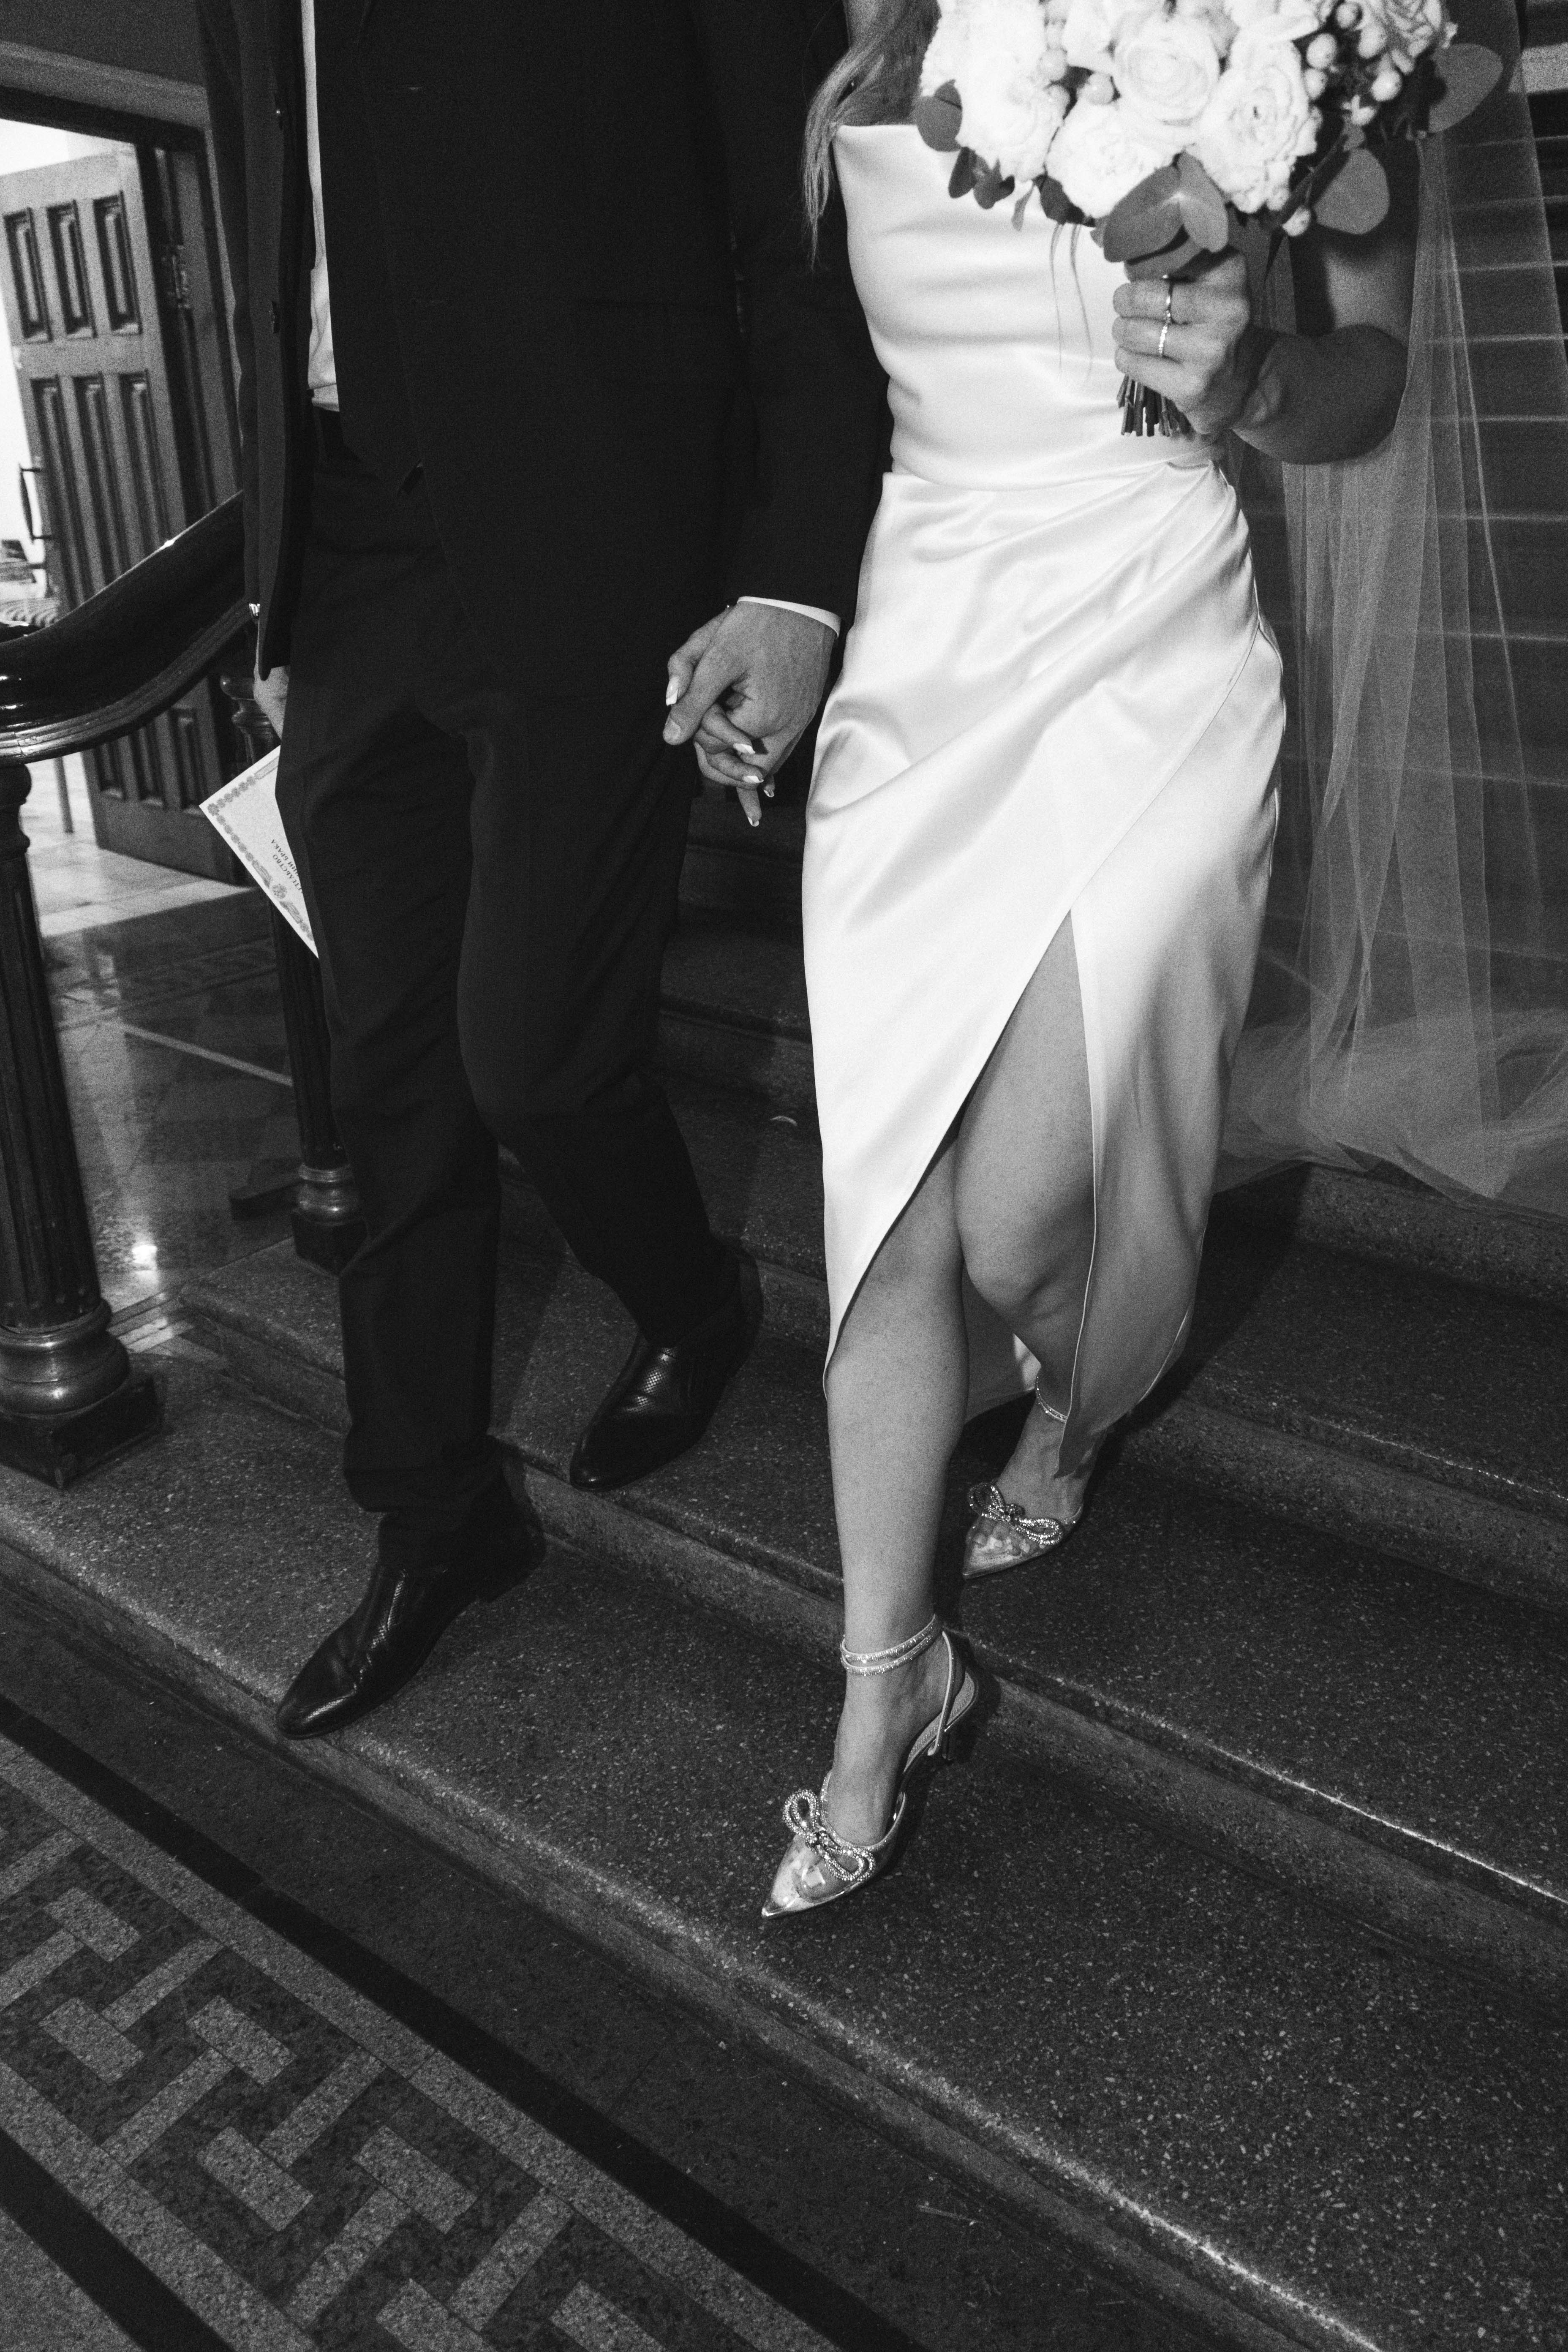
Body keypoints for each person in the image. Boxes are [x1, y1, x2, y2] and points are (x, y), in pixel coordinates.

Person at [701, 0, 1419, 1914]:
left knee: (1025, 1226)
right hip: (925, 643)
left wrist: (1250, 375)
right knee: (885, 1211)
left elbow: (1369, 384)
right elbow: (801, 380)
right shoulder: (848, 53)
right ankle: (888, 1686)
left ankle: (1080, 1402)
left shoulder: (1286, 36)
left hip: (1152, 627)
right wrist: (776, 616)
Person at [196, 0, 883, 1741]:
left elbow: (799, 224)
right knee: (388, 1078)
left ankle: (692, 1297)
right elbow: (277, 218)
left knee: (535, 1057)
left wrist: (797, 579)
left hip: (596, 523)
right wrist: (280, 575)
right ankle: (434, 1515)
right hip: (350, 547)